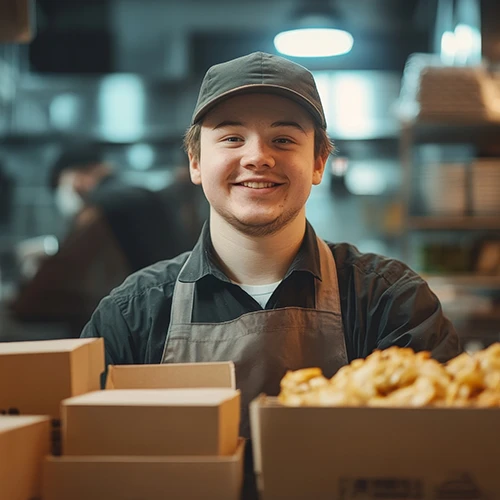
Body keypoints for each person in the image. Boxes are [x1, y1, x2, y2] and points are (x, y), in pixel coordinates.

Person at [80, 51, 461, 494]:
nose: (257, 157)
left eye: (283, 139)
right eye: (232, 138)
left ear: (318, 162)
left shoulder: (391, 300)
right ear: (196, 162)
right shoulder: (132, 313)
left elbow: (445, 457)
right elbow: (87, 459)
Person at [9, 145, 206, 334]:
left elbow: (52, 282)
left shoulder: (100, 207)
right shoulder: (141, 195)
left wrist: (21, 300)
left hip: (140, 323)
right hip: (175, 313)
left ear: (78, 176)